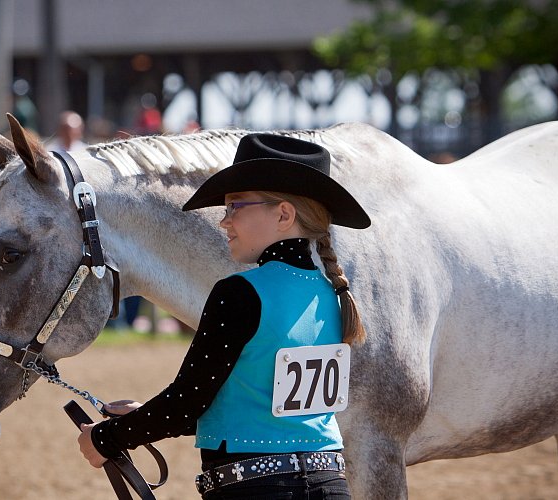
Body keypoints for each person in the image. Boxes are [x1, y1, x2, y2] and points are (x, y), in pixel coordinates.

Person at [77, 134, 371, 498]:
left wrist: (106, 439)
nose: (224, 221)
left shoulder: (240, 293)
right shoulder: (336, 296)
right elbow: (253, 402)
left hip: (257, 489)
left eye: (235, 207)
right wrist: (142, 415)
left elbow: (186, 403)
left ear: (283, 214)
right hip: (330, 484)